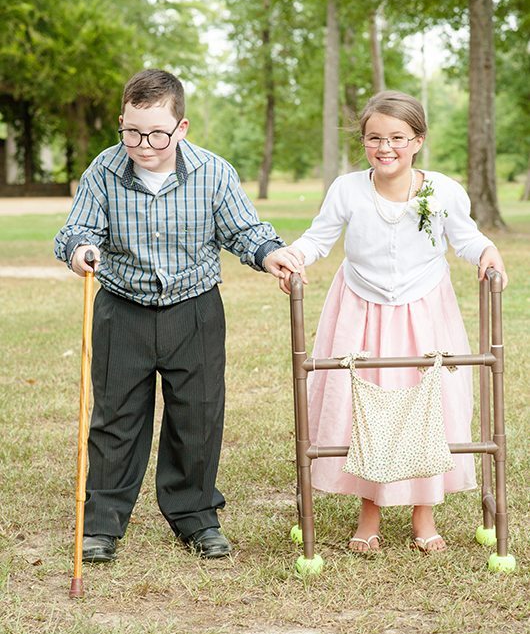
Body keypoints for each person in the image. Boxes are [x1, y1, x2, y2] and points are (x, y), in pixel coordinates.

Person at [55, 69, 301, 563]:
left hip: (195, 310)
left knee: (198, 417)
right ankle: (102, 523)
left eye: (157, 134)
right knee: (115, 420)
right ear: (121, 121)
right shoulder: (103, 170)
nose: (144, 145)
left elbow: (243, 230)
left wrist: (268, 253)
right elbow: (77, 230)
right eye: (132, 132)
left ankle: (196, 518)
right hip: (122, 309)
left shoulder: (214, 172)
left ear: (181, 127)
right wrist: (80, 249)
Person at [266, 90, 507, 554]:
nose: (386, 147)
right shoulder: (347, 189)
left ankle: (424, 513)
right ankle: (369, 512)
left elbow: (466, 238)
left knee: (427, 404)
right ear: (364, 141)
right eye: (375, 138)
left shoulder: (442, 190)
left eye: (397, 137)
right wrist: (295, 255)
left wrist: (487, 252)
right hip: (361, 307)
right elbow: (319, 238)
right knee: (364, 405)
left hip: (425, 310)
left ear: (417, 140)